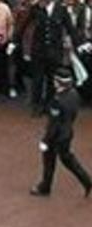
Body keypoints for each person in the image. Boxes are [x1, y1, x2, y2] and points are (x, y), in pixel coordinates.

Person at [30, 67, 92, 199]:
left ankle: (45, 186)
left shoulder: (58, 101)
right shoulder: (73, 95)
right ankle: (86, 180)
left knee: (49, 160)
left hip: (56, 136)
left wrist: (46, 140)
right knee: (68, 160)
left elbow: (54, 124)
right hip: (67, 132)